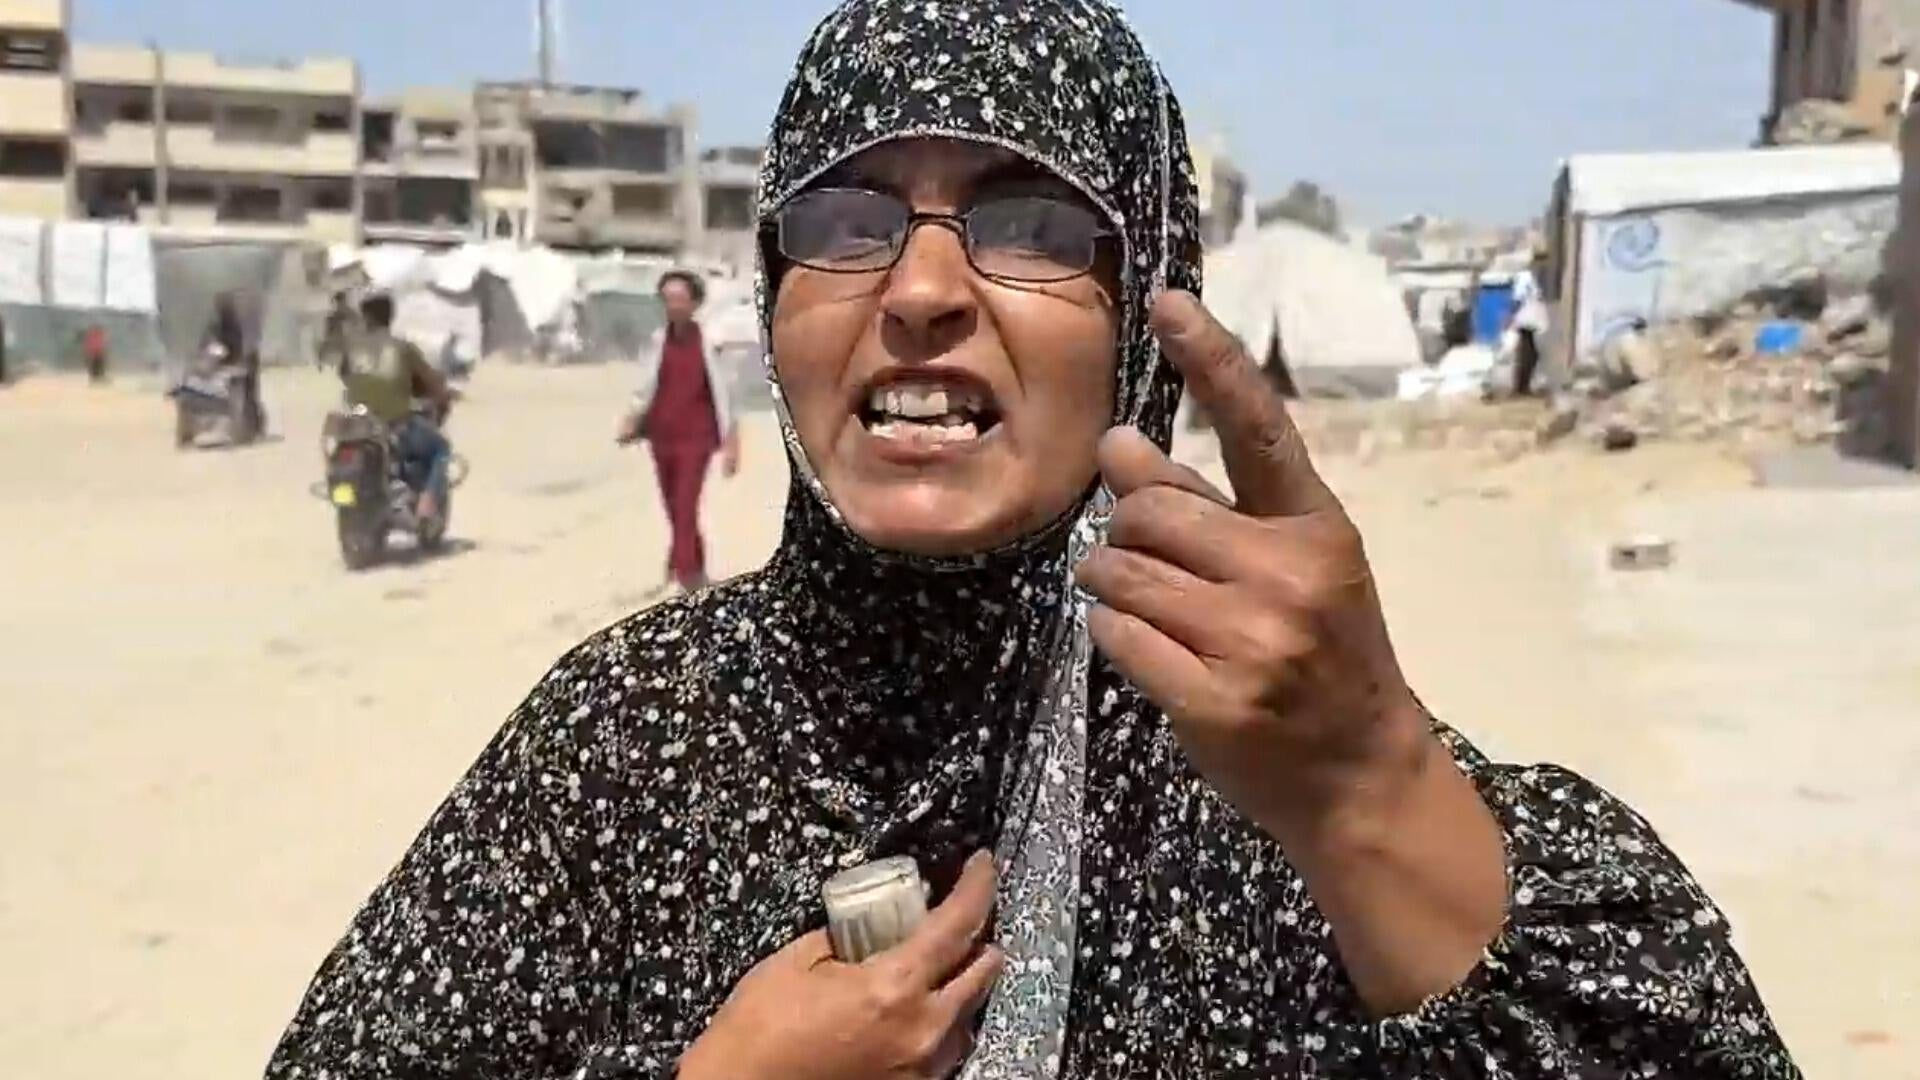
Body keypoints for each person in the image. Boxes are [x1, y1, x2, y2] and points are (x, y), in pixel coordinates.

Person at [266, 3, 1800, 1078]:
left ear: (1144, 314)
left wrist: (1375, 788)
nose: (924, 289)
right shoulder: (620, 743)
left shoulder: (1259, 756)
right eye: (849, 220)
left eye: (1030, 225)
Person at [617, 270, 740, 593]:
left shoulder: (711, 342)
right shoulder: (658, 340)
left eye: (680, 299)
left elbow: (727, 395)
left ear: (695, 303)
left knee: (686, 504)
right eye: (668, 299)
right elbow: (645, 386)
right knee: (673, 507)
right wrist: (631, 418)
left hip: (697, 438)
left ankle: (684, 578)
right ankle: (691, 566)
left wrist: (732, 443)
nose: (673, 306)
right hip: (662, 436)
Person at [339, 293, 454, 523]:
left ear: (365, 317)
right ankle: (426, 504)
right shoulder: (403, 348)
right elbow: (432, 384)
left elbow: (345, 377)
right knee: (441, 448)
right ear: (390, 317)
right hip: (394, 427)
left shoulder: (352, 348)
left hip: (357, 426)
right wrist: (444, 395)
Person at [204, 292, 267, 437]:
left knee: (249, 394)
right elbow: (210, 345)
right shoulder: (217, 327)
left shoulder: (237, 326)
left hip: (239, 365)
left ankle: (252, 424)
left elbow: (247, 348)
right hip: (227, 365)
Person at [1509, 251, 1550, 396]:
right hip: (1525, 318)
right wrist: (1511, 316)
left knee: (1531, 354)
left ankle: (1523, 385)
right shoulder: (1526, 277)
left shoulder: (1536, 278)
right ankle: (1521, 386)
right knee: (1527, 354)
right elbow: (1517, 298)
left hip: (1532, 319)